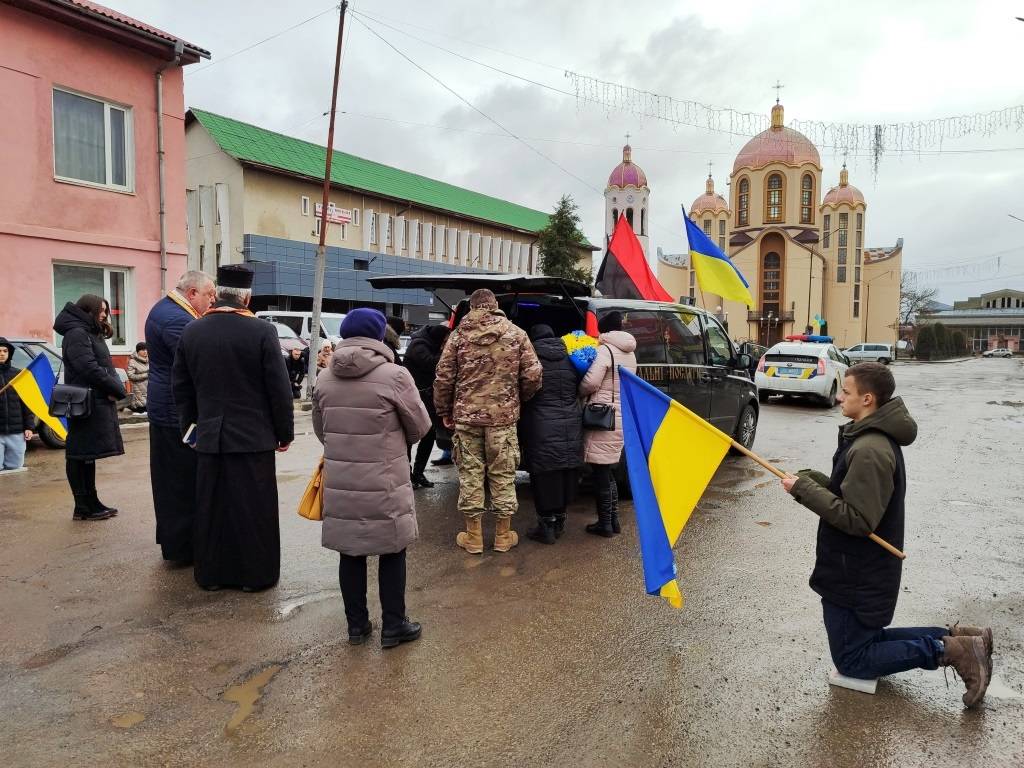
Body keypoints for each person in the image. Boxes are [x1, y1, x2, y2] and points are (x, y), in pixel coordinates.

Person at [782, 363, 993, 708]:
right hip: (859, 568)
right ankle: (961, 640)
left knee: (854, 659)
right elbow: (848, 495)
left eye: (845, 392)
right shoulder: (867, 438)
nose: (838, 397)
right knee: (868, 641)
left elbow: (858, 519)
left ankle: (950, 651)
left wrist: (805, 490)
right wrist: (807, 482)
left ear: (867, 399)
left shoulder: (870, 448)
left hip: (855, 573)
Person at [313, 308, 431, 648]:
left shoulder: (324, 377)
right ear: (379, 335)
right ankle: (394, 625)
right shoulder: (394, 375)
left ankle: (357, 626)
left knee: (349, 552)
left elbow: (323, 431)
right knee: (392, 549)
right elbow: (420, 427)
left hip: (342, 479)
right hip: (385, 478)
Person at [172, 265, 294, 592]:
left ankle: (211, 575)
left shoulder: (193, 331)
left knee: (212, 508)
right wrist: (285, 433)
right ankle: (256, 576)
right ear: (247, 296)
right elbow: (278, 390)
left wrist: (192, 433)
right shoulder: (261, 332)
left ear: (218, 294)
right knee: (254, 510)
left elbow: (181, 389)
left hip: (210, 437)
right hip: (254, 438)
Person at [434, 288, 542, 553]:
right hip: (502, 418)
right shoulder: (517, 334)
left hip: (467, 418)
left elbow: (443, 377)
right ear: (495, 306)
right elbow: (533, 375)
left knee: (470, 474)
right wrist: (517, 400)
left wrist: (444, 410)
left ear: (472, 307)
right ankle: (503, 537)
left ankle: (473, 538)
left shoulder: (458, 336)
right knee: (503, 474)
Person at [145, 270, 216, 563]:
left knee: (173, 479)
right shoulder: (177, 319)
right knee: (180, 481)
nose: (213, 300)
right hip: (173, 411)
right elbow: (195, 365)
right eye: (209, 294)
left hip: (166, 407)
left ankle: (178, 542)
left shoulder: (168, 310)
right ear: (191, 294)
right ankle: (183, 547)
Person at [53, 295, 128, 521]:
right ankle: (82, 506)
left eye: (105, 310)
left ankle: (92, 500)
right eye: (101, 310)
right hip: (85, 401)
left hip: (93, 399)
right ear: (88, 310)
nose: (104, 314)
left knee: (88, 455)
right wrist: (115, 386)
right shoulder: (77, 333)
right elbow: (88, 367)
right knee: (78, 454)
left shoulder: (87, 331)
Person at [519, 325, 583, 544]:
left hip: (540, 423)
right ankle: (560, 522)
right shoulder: (571, 358)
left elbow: (525, 389)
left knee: (543, 474)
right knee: (565, 470)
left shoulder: (531, 359)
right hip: (570, 423)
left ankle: (546, 526)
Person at [578, 311, 637, 537]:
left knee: (601, 472)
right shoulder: (630, 354)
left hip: (603, 416)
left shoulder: (605, 351)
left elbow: (591, 382)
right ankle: (613, 521)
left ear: (606, 331)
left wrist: (579, 391)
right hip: (621, 416)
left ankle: (605, 524)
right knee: (608, 470)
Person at [402, 323, 450, 489]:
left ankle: (418, 473)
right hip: (414, 398)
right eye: (444, 339)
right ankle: (407, 475)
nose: (446, 342)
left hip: (427, 398)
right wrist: (446, 352)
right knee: (409, 437)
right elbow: (433, 365)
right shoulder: (419, 346)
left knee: (429, 435)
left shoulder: (429, 344)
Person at [0, 338, 33, 473]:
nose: (2, 353)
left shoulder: (18, 375)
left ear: (9, 354)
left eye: (5, 351)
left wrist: (29, 427)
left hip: (17, 432)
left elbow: (27, 403)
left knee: (15, 468)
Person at [126, 342, 149, 415]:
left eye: (146, 349)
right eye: (143, 350)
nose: (145, 351)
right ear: (138, 351)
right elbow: (130, 376)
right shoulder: (133, 361)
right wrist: (146, 375)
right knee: (141, 407)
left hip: (149, 388)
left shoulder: (149, 360)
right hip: (139, 389)